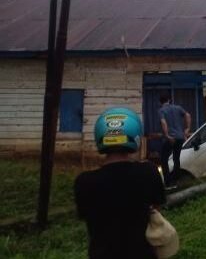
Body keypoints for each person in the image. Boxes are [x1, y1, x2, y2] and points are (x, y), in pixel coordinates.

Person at [74, 107, 166, 259]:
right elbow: (156, 209)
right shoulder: (148, 171)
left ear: (99, 137)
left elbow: (86, 217)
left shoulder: (84, 181)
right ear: (135, 136)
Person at [159, 94, 192, 188]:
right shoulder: (178, 108)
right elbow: (188, 115)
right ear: (169, 100)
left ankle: (168, 183)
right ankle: (176, 181)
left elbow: (163, 122)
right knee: (176, 159)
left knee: (164, 160)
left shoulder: (162, 110)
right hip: (180, 137)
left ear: (160, 103)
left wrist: (167, 135)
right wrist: (187, 128)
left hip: (171, 138)